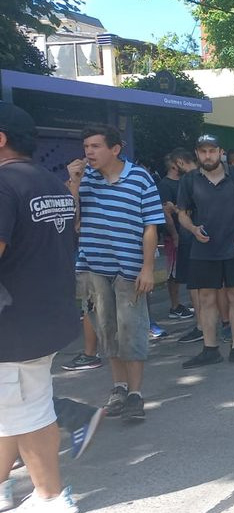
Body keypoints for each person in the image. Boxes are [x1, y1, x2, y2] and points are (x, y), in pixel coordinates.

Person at [0, 102, 82, 512]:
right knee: (15, 406)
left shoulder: (2, 185)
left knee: (25, 410)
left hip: (12, 323)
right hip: (46, 315)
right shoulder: (51, 184)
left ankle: (50, 497)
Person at [68, 125, 164, 422]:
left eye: (95, 146)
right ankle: (119, 388)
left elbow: (151, 226)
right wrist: (73, 183)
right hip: (94, 267)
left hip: (129, 269)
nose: (89, 153)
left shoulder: (140, 178)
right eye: (86, 147)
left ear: (115, 149)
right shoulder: (84, 180)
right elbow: (72, 221)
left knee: (131, 332)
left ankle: (135, 394)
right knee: (106, 330)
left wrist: (147, 268)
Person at [176, 134, 234, 369]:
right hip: (204, 249)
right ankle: (210, 348)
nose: (208, 155)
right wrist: (192, 229)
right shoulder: (189, 180)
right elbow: (182, 213)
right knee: (206, 298)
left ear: (220, 152)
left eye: (212, 150)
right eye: (203, 151)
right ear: (197, 154)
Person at [158, 152, 195, 320]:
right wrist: (174, 234)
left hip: (188, 232)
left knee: (188, 268)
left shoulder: (184, 182)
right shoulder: (165, 185)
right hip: (174, 235)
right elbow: (166, 212)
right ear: (174, 165)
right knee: (173, 272)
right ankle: (175, 306)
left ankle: (193, 302)